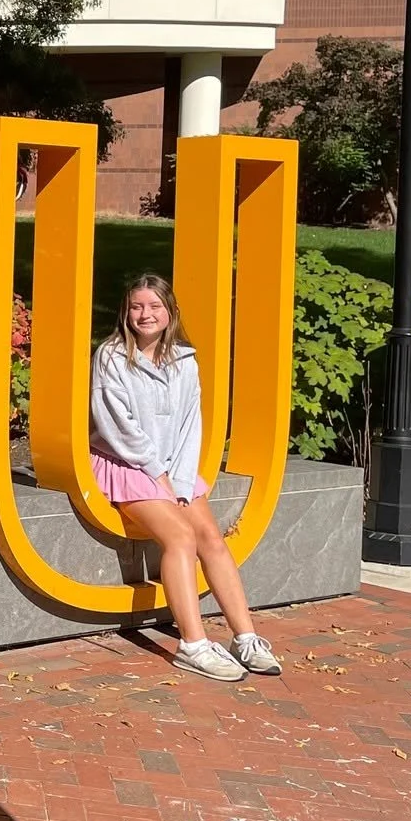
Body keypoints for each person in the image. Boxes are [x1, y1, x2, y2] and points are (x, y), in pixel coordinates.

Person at [90, 274, 282, 682]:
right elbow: (115, 425)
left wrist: (176, 481)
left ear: (170, 312)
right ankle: (192, 645)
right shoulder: (109, 356)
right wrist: (156, 473)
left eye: (154, 307)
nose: (145, 315)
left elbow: (191, 425)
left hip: (172, 467)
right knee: (180, 538)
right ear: (126, 311)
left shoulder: (184, 360)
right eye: (137, 306)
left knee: (211, 537)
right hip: (125, 465)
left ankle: (244, 636)